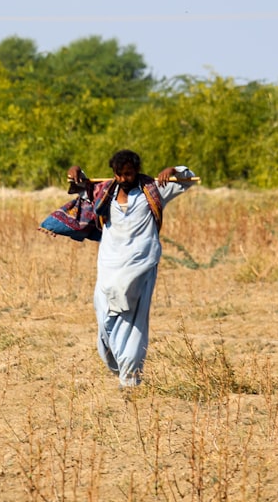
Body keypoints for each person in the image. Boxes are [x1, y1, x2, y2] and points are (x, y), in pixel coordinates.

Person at [61, 149, 197, 389]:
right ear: (114, 174)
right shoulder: (104, 192)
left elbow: (189, 179)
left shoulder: (153, 190)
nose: (125, 178)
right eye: (121, 174)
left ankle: (131, 378)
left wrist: (174, 170)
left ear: (136, 171)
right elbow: (79, 182)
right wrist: (75, 171)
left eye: (130, 173)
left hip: (140, 266)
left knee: (133, 322)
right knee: (105, 322)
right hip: (109, 267)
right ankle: (117, 365)